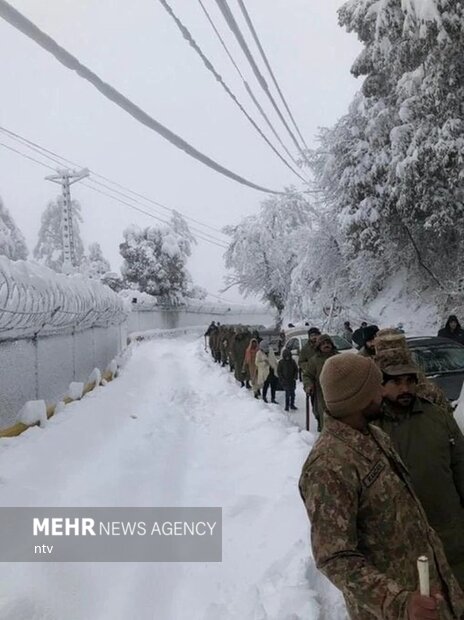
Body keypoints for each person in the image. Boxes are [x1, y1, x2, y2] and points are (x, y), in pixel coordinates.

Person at [299, 353, 464, 620]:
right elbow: (335, 557)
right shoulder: (328, 466)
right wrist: (399, 602)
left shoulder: (374, 436)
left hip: (430, 589)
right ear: (359, 398)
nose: (381, 390)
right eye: (376, 385)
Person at [375, 347, 464, 589]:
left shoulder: (437, 417)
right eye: (395, 382)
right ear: (379, 383)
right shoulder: (368, 426)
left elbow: (460, 465)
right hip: (396, 544)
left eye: (409, 380)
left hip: (448, 532)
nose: (405, 389)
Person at [302, 334, 338, 431]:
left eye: (328, 343)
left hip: (340, 392)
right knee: (324, 417)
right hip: (322, 394)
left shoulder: (339, 357)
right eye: (323, 344)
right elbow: (307, 375)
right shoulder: (314, 361)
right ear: (319, 346)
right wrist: (308, 385)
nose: (326, 345)